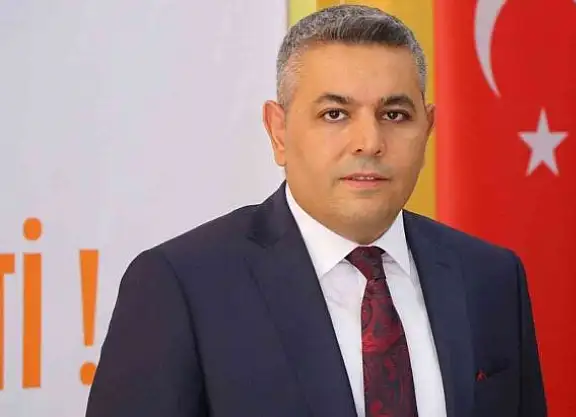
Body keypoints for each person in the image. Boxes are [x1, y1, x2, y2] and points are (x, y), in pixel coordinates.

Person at [84, 5, 546, 417]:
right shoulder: (182, 285)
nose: (369, 142)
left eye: (394, 115)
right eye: (335, 114)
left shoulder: (490, 277)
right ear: (279, 131)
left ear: (427, 130)